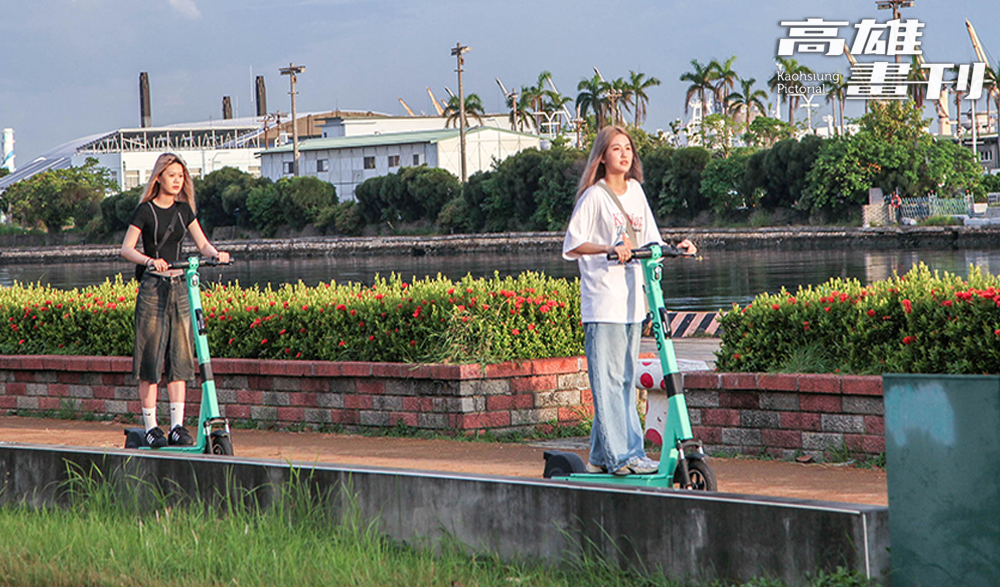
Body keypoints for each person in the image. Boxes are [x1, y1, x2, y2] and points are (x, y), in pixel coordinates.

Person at [562, 126, 696, 476]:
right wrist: (609, 248)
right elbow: (572, 245)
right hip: (604, 302)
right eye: (616, 149)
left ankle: (600, 458)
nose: (625, 154)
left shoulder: (636, 191)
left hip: (632, 301)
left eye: (629, 149)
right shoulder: (594, 197)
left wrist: (676, 248)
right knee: (607, 380)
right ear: (602, 157)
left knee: (621, 379)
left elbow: (650, 239)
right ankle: (624, 457)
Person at [120, 153, 230, 448]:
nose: (177, 180)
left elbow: (202, 243)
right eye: (172, 175)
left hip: (180, 285)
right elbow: (126, 249)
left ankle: (178, 426)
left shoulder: (184, 210)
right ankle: (152, 426)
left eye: (181, 176)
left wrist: (216, 255)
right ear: (158, 178)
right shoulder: (145, 211)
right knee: (151, 357)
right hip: (153, 288)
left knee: (180, 356)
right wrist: (150, 261)